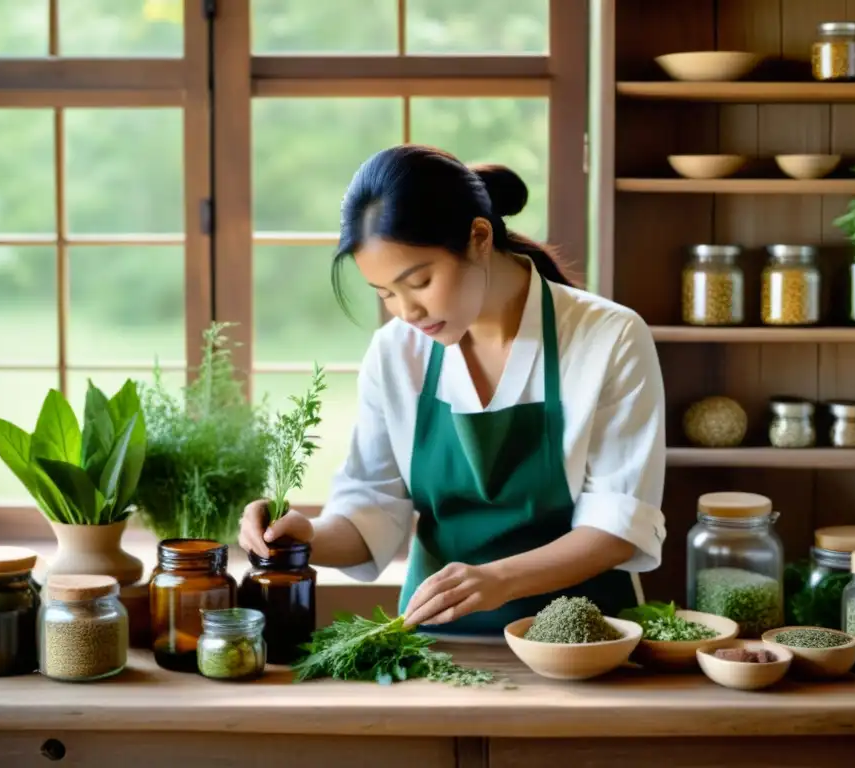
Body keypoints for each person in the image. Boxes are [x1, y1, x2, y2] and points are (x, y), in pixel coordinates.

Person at [239, 144, 666, 636]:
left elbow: (616, 527)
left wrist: (498, 579)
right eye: (385, 294)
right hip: (437, 642)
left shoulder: (608, 337)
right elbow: (371, 511)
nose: (407, 311)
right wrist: (303, 537)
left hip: (584, 643)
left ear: (479, 237)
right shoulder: (396, 353)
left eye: (418, 281)